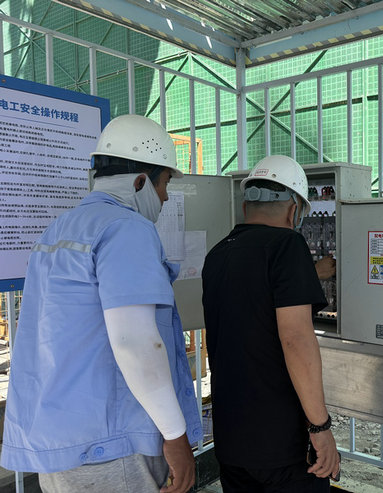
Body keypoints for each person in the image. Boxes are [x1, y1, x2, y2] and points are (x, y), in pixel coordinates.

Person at [1, 115, 202, 493]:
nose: (165, 197)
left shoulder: (58, 229)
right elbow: (135, 342)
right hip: (113, 448)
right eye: (164, 183)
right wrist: (176, 437)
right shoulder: (127, 228)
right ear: (140, 182)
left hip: (61, 445)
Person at [202, 155, 340, 492]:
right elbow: (296, 339)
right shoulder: (287, 245)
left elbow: (254, 300)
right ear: (294, 210)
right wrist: (320, 428)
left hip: (232, 440)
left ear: (245, 205)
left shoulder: (217, 254)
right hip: (280, 444)